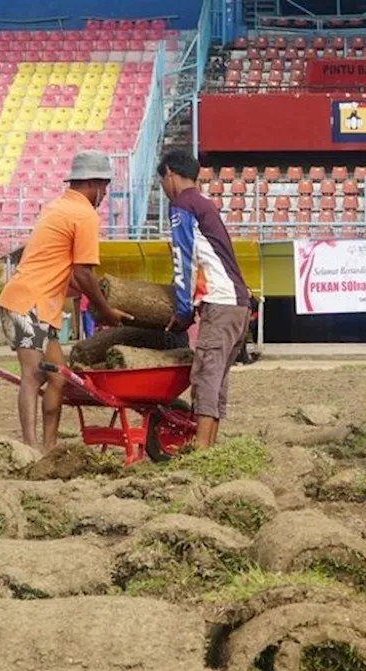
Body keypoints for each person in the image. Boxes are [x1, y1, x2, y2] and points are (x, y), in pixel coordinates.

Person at [0, 150, 131, 450]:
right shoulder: (83, 214)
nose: (106, 194)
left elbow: (68, 274)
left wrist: (102, 300)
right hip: (28, 303)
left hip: (40, 305)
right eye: (105, 187)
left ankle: (49, 449)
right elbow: (82, 273)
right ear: (93, 184)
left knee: (59, 379)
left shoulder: (57, 207)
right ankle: (30, 449)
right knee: (32, 375)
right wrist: (104, 310)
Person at [158, 148, 251, 449]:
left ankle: (200, 450)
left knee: (205, 378)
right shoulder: (204, 204)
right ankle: (208, 447)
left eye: (162, 180)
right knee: (217, 378)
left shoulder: (182, 205)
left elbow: (182, 259)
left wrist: (183, 311)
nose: (163, 188)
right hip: (237, 305)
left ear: (169, 173)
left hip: (220, 303)